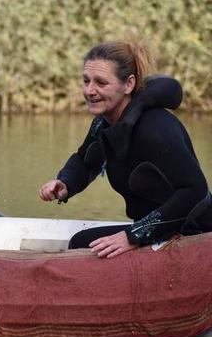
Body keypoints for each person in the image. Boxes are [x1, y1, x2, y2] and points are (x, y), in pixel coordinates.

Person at [39, 40, 212, 258]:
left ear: (128, 84)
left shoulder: (155, 128)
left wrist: (133, 236)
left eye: (101, 83)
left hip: (197, 237)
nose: (90, 91)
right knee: (82, 243)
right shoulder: (105, 123)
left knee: (85, 247)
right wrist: (65, 182)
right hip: (157, 233)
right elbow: (86, 160)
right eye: (86, 81)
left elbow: (195, 191)